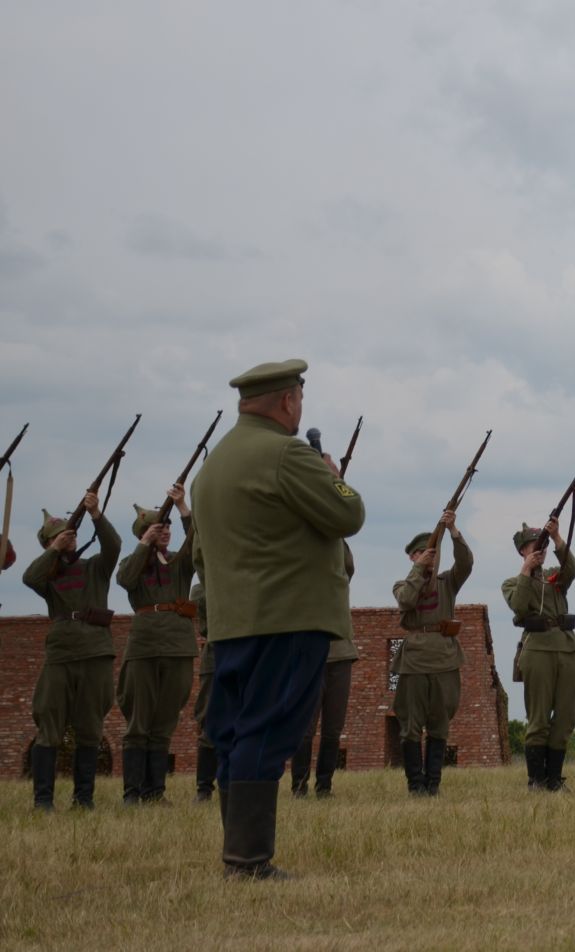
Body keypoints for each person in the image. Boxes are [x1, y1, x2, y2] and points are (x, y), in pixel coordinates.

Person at [191, 359, 365, 879]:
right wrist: (334, 478)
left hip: (230, 623)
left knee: (233, 732)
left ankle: (238, 853)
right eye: (299, 401)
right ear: (289, 401)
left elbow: (201, 555)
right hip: (287, 619)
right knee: (266, 732)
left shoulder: (214, 465)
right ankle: (248, 861)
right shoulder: (287, 453)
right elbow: (348, 514)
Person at [23, 493, 119, 811]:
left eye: (72, 534)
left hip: (95, 652)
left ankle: (84, 800)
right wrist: (55, 549)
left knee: (90, 727)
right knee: (48, 723)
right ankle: (43, 801)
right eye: (62, 535)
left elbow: (113, 545)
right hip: (62, 655)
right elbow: (29, 577)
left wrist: (95, 514)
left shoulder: (95, 568)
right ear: (49, 543)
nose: (70, 538)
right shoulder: (48, 576)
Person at [114, 489, 198, 804]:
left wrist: (181, 506)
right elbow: (125, 579)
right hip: (145, 646)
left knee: (164, 721)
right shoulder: (133, 562)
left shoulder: (178, 562)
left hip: (177, 645)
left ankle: (155, 792)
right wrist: (143, 544)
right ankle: (132, 793)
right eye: (157, 528)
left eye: (166, 527)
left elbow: (198, 543)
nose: (164, 531)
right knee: (139, 722)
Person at [392, 510, 473, 797]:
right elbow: (406, 600)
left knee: (440, 722)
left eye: (433, 552)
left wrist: (453, 532)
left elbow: (466, 563)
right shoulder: (403, 584)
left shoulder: (447, 583)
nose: (431, 557)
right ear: (413, 557)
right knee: (410, 724)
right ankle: (416, 785)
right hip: (414, 661)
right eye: (424, 553)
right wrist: (419, 571)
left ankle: (433, 784)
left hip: (444, 658)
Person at [504, 518, 575, 792]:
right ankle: (536, 779)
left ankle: (554, 780)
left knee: (565, 718)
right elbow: (519, 606)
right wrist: (527, 569)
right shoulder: (513, 582)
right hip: (537, 650)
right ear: (522, 551)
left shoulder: (554, 575)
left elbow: (572, 569)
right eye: (532, 546)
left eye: (542, 545)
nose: (539, 550)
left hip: (567, 648)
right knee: (538, 718)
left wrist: (558, 538)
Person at [290, 542, 356, 799]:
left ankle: (324, 786)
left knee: (333, 729)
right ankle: (299, 786)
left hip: (341, 655)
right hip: (309, 659)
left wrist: (333, 532)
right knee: (306, 728)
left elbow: (347, 564)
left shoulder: (339, 582)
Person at [190, 578, 216, 801]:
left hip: (247, 653)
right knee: (209, 721)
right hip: (215, 655)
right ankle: (204, 788)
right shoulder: (202, 588)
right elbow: (198, 602)